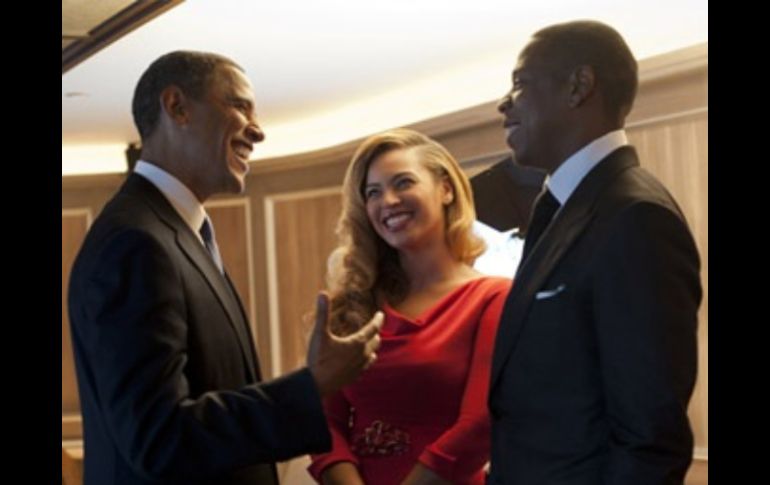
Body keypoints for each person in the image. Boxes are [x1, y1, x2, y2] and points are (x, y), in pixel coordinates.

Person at [67, 50, 383, 485]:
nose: (258, 130)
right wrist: (311, 386)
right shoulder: (135, 242)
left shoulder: (176, 233)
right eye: (239, 106)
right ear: (176, 106)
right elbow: (159, 439)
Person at [488, 20, 702, 484]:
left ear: (579, 86)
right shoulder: (563, 210)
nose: (504, 104)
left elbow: (649, 439)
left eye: (520, 83)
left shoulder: (635, 219)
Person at [308, 128, 512, 485]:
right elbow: (323, 420)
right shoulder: (354, 304)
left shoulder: (493, 297)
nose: (387, 201)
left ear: (446, 189)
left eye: (403, 183)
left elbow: (480, 424)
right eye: (373, 192)